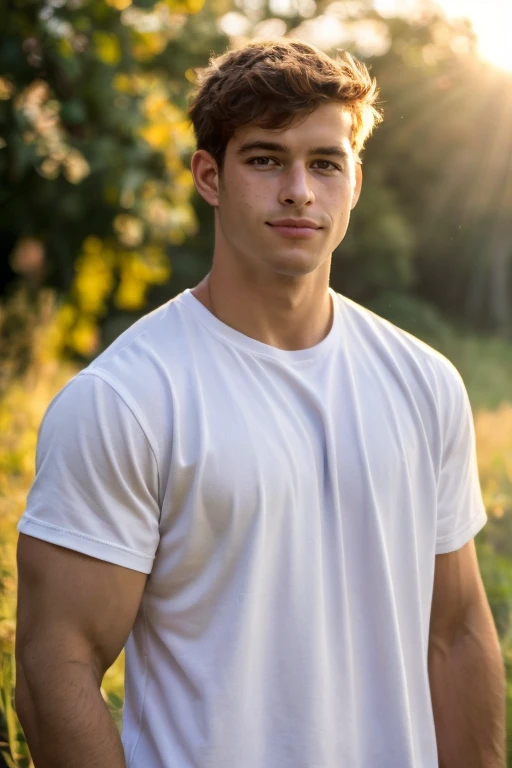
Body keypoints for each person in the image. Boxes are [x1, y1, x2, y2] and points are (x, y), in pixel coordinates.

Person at [15, 39, 505, 768]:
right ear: (209, 176)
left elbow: (457, 631)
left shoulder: (425, 383)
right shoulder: (127, 401)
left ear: (355, 181)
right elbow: (53, 671)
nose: (300, 190)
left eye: (325, 163)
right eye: (267, 159)